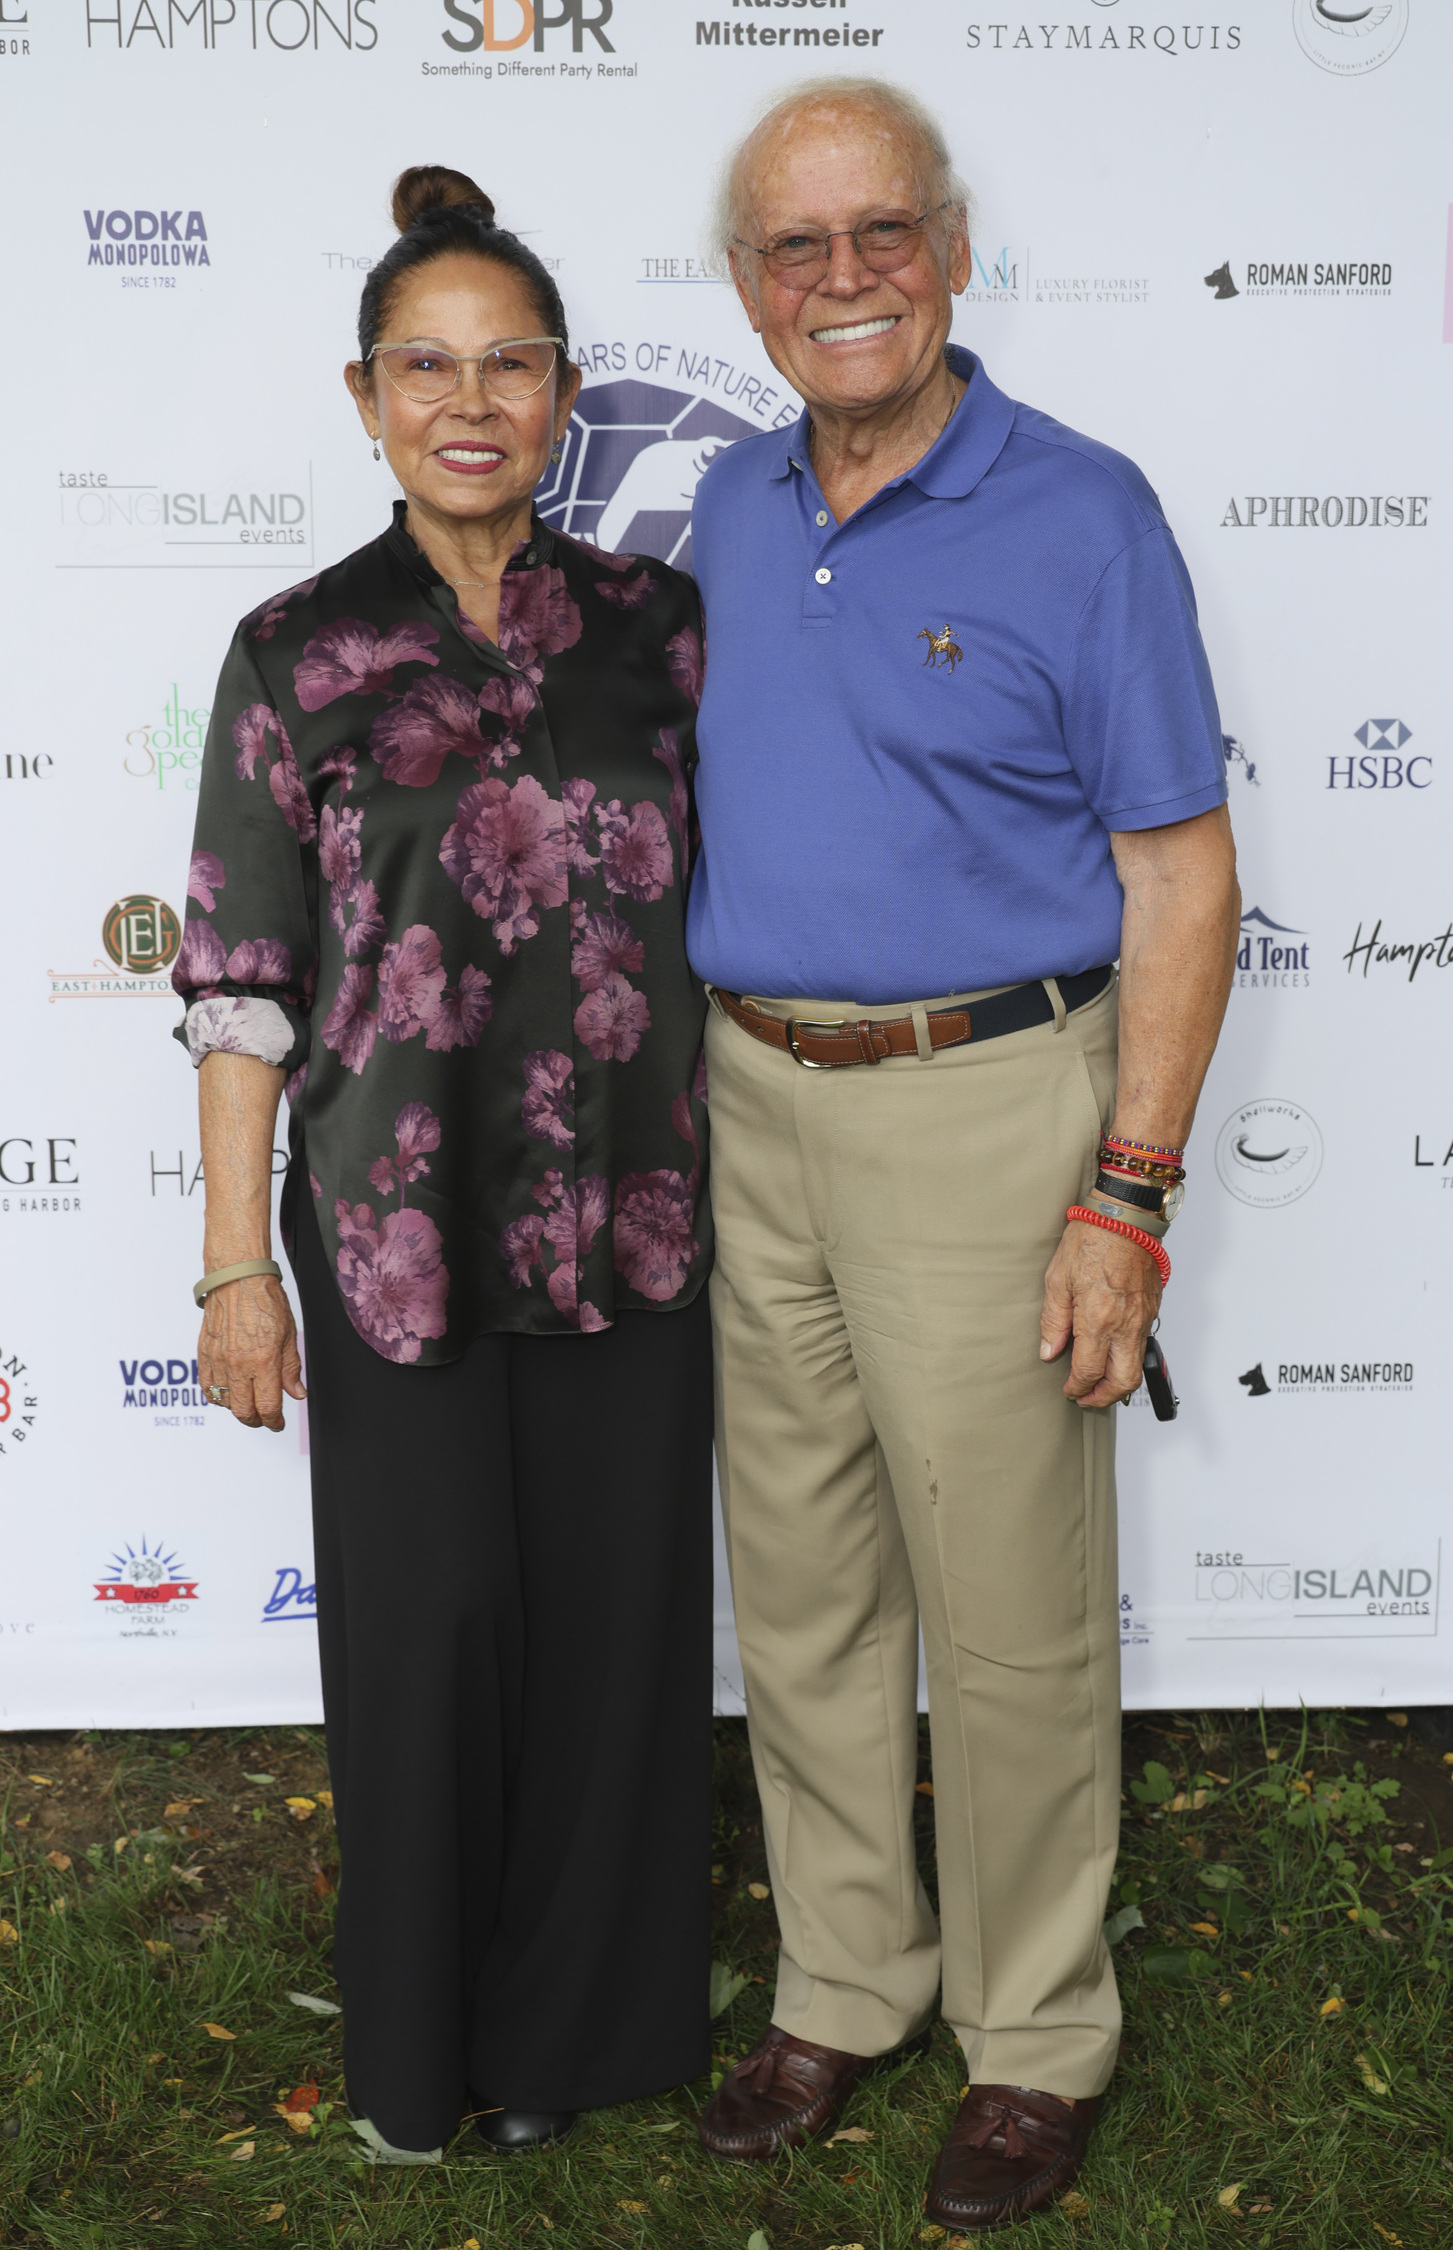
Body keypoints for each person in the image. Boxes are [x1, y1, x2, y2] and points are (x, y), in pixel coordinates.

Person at [687, 80, 1239, 2230]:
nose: (842, 276)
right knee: (809, 1589)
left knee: (1006, 1614)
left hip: (993, 1111)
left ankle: (1035, 2032)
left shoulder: (1083, 514)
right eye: (794, 246)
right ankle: (844, 1978)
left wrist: (1130, 1191)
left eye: (879, 232)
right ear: (748, 290)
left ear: (953, 251)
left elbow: (1182, 879)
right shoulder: (731, 506)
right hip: (754, 1106)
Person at [172, 165, 714, 2163]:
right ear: (365, 393)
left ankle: (572, 2042)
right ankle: (420, 2053)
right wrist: (241, 1268)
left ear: (565, 391)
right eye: (428, 365)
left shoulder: (663, 634)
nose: (468, 399)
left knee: (615, 1637)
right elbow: (238, 982)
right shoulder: (296, 652)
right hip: (394, 1237)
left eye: (509, 362)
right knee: (429, 1649)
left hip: (644, 1222)